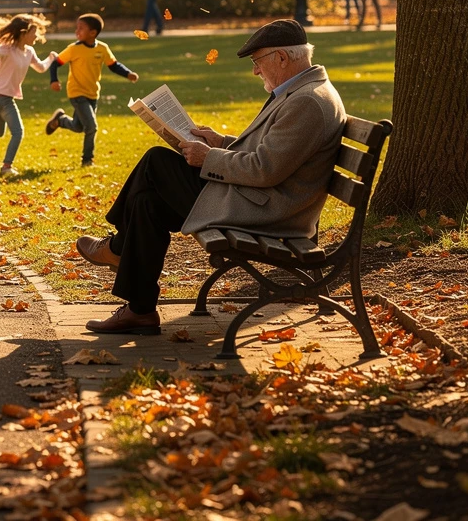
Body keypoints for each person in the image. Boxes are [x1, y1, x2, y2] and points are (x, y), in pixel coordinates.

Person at [76, 19, 346, 335]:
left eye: (258, 62)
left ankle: (120, 249)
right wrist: (221, 142)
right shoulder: (301, 91)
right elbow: (271, 153)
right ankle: (140, 310)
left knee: (156, 162)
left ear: (282, 58)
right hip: (256, 198)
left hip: (266, 211)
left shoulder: (306, 101)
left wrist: (209, 157)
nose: (256, 71)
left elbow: (265, 169)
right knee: (149, 203)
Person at [45, 14, 139, 167]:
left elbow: (114, 65)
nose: (77, 31)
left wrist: (128, 73)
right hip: (76, 93)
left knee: (79, 126)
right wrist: (54, 80)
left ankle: (60, 120)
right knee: (92, 127)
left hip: (92, 93)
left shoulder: (102, 48)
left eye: (80, 28)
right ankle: (87, 160)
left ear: (93, 33)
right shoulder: (74, 49)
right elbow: (56, 63)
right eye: (77, 27)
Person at [0, 13, 56, 176]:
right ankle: (6, 167)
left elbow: (41, 68)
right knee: (18, 132)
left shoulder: (29, 51)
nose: (36, 36)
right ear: (23, 33)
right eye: (33, 32)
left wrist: (51, 58)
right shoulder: (7, 48)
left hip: (4, 97)